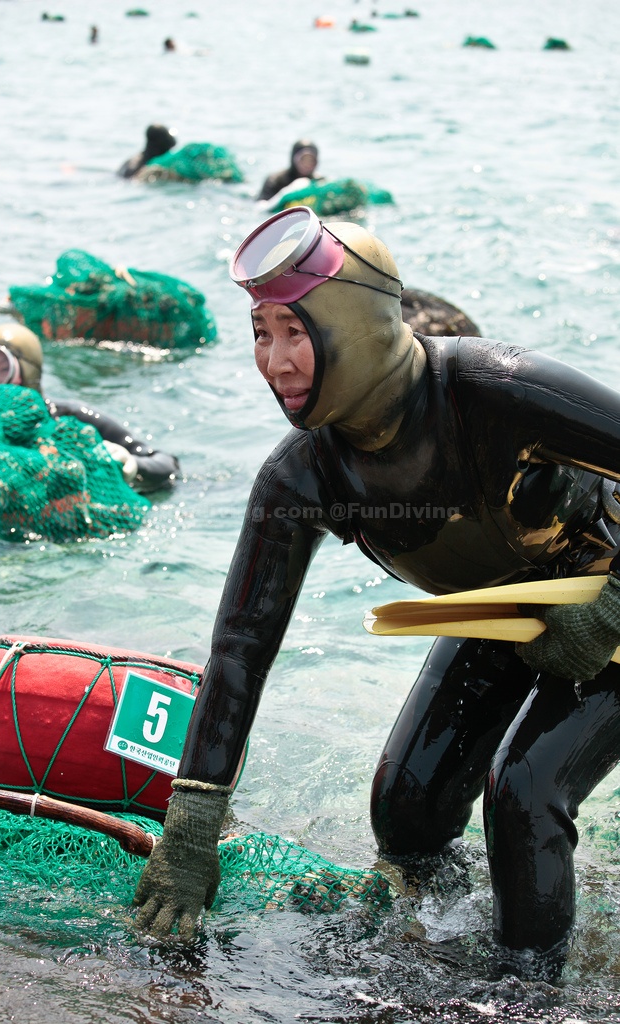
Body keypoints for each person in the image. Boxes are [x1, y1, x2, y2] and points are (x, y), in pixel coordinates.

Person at [132, 206, 620, 979]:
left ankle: (529, 993)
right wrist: (191, 824)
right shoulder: (300, 476)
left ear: (356, 324)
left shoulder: (493, 388)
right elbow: (240, 648)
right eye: (260, 334)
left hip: (608, 596)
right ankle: (436, 941)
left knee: (524, 791)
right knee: (406, 806)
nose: (274, 361)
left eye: (294, 332)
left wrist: (609, 606)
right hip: (506, 607)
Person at [0, 324, 179, 493]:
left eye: (4, 370)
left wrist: (132, 463)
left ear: (27, 372)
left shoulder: (69, 418)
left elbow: (167, 463)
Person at [256, 140, 321, 203]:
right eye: (303, 159)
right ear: (293, 158)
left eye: (311, 160)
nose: (307, 164)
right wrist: (286, 193)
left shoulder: (319, 182)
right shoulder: (275, 180)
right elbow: (261, 206)